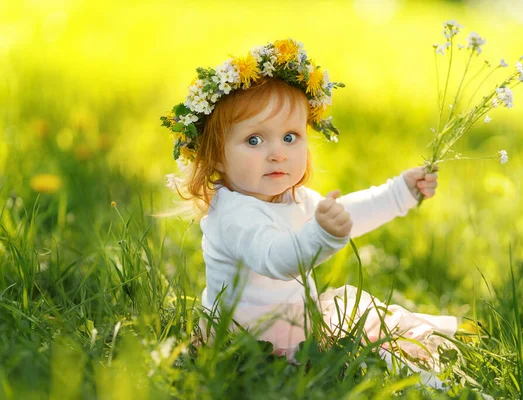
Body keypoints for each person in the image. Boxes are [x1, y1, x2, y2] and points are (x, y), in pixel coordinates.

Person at [161, 39, 459, 389]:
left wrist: (399, 193)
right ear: (215, 156)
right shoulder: (233, 214)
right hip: (248, 343)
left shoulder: (291, 197)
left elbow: (346, 215)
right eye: (255, 140)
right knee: (351, 337)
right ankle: (419, 379)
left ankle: (432, 375)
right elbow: (275, 258)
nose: (278, 154)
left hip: (296, 326)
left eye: (290, 137)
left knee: (362, 319)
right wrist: (322, 235)